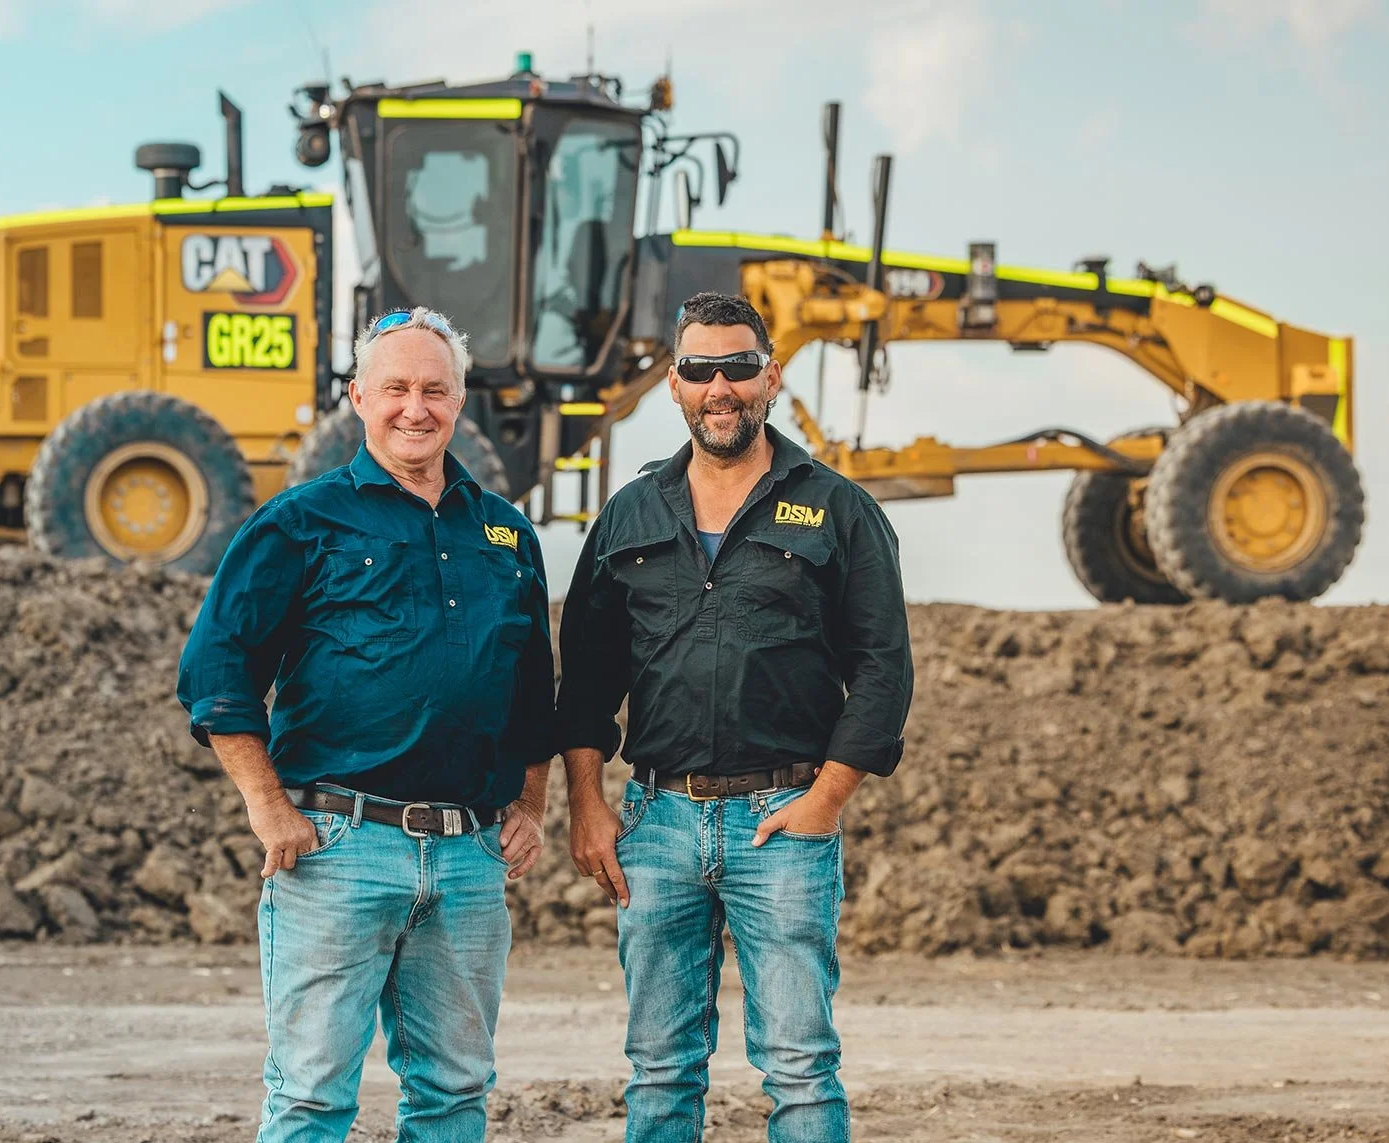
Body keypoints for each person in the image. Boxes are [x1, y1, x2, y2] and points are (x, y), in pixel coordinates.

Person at [176, 307, 555, 1143]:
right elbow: (216, 668)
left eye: (435, 390)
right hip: (338, 850)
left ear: (460, 402)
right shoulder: (299, 522)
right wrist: (267, 805)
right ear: (358, 397)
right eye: (396, 389)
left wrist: (532, 802)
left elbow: (533, 688)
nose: (415, 408)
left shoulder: (504, 530)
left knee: (455, 1092)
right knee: (313, 1095)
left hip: (469, 858)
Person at [555, 291, 914, 1141]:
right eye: (699, 369)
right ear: (674, 385)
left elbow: (883, 667)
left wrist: (824, 801)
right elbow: (586, 680)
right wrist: (588, 802)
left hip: (782, 823)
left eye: (739, 367)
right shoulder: (630, 514)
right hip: (656, 823)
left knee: (800, 1067)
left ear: (771, 377)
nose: (720, 387)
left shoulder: (837, 509)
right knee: (659, 1068)